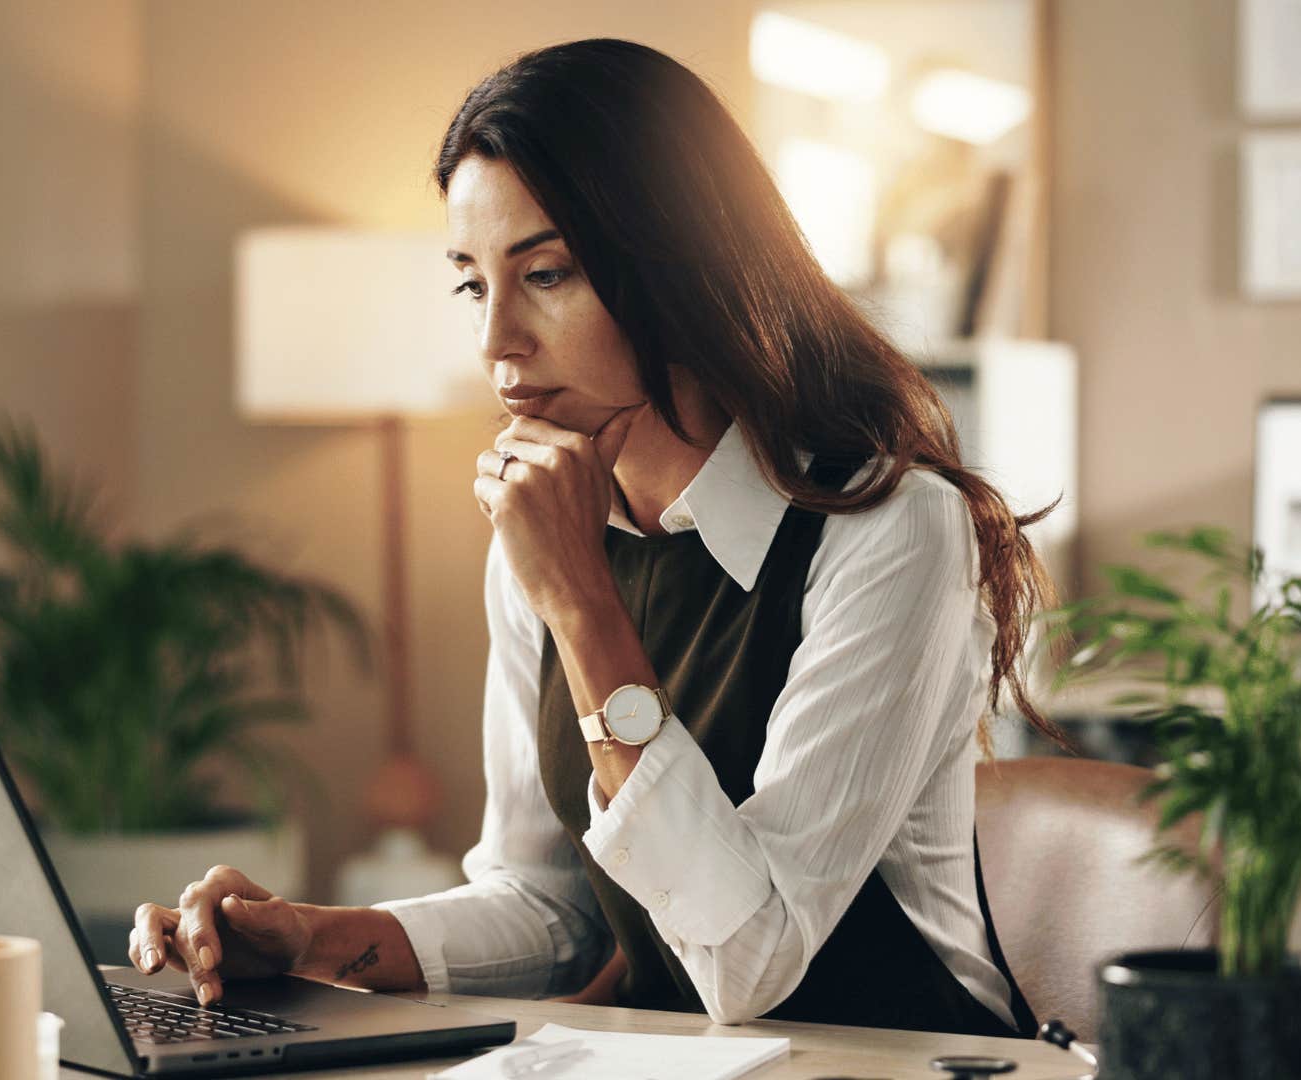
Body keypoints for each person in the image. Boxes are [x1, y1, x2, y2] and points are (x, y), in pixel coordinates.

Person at [127, 37, 1067, 1036]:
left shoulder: (890, 529)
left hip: (907, 1060)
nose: (496, 343)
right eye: (472, 284)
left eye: (549, 273)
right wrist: (314, 940)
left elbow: (755, 961)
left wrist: (582, 602)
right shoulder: (547, 537)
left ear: (681, 267)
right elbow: (551, 907)